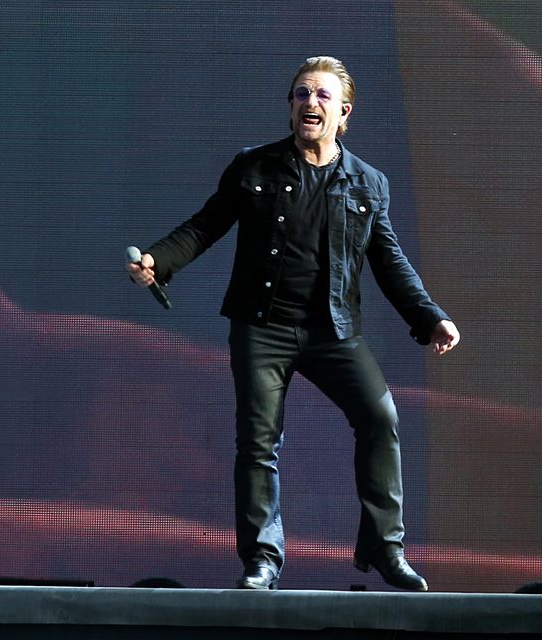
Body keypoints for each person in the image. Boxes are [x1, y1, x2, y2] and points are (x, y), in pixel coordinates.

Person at [127, 56, 460, 591]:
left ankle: (383, 547)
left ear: (344, 112)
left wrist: (431, 317)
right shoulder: (254, 168)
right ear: (290, 107)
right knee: (258, 442)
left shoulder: (368, 183)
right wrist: (157, 261)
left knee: (381, 418)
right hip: (263, 328)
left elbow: (390, 261)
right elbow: (206, 225)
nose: (310, 103)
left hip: (334, 331)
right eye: (302, 94)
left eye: (323, 96)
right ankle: (262, 558)